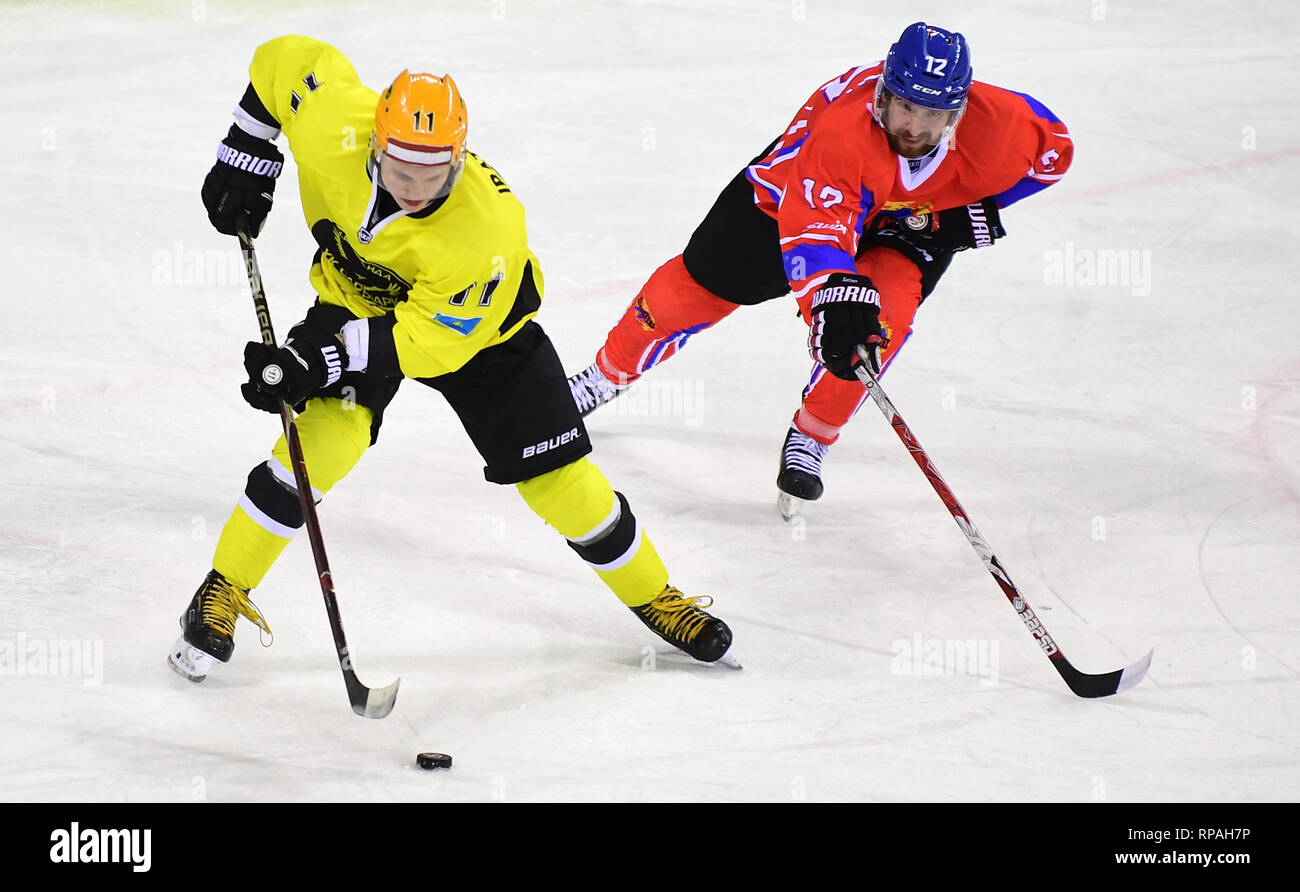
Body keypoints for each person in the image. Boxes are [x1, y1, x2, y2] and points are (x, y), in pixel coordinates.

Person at [168, 35, 733, 682]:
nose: (414, 188)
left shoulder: (485, 230)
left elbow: (423, 343)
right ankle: (222, 588)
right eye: (402, 170)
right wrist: (245, 148)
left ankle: (655, 596)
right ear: (376, 144)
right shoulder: (335, 127)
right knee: (321, 444)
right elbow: (283, 62)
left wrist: (316, 359)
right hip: (357, 301)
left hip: (483, 338)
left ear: (458, 160)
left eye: (433, 175)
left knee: (559, 479)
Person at [567, 22, 1073, 515]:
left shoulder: (1004, 124)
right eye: (905, 106)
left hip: (903, 221)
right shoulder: (843, 133)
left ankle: (812, 436)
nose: (915, 127)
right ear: (884, 94)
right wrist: (833, 297)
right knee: (694, 289)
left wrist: (964, 210)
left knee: (881, 326)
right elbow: (815, 233)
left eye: (933, 113)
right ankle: (604, 376)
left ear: (957, 111)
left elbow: (1053, 156)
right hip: (788, 200)